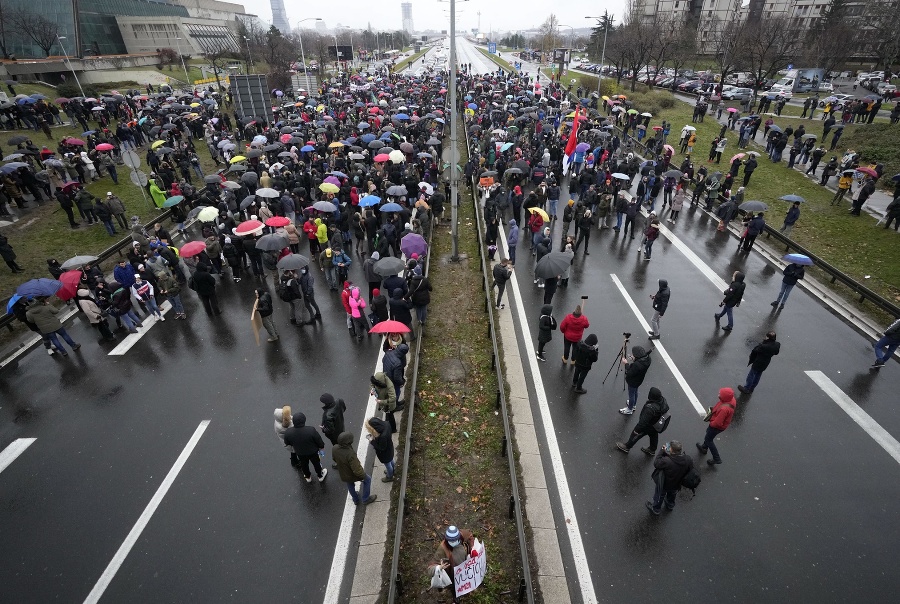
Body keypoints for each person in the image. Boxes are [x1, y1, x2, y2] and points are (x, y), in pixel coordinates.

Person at [616, 386, 669, 454]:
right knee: (653, 435)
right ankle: (652, 450)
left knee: (636, 435)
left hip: (648, 424)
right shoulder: (663, 401)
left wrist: (637, 429)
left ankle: (627, 446)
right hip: (656, 424)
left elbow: (643, 422)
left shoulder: (650, 408)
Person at [646, 440, 694, 515]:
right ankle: (670, 505)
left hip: (665, 484)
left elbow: (656, 463)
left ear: (671, 450)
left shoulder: (667, 461)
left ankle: (656, 509)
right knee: (673, 494)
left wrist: (662, 450)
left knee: (660, 495)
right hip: (677, 483)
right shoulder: (688, 459)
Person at [282, 412, 328, 483]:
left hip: (300, 452)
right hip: (313, 452)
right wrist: (321, 447)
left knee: (304, 465)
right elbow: (319, 440)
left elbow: (287, 443)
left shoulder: (289, 432)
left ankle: (308, 476)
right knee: (316, 464)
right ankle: (320, 475)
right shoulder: (311, 430)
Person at [333, 431, 377, 505]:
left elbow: (334, 459)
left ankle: (355, 499)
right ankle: (365, 499)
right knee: (368, 480)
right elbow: (356, 469)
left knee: (350, 485)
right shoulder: (350, 454)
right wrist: (363, 476)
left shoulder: (335, 448)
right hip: (352, 473)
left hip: (343, 473)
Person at [696, 388, 736, 466]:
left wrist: (711, 423)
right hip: (721, 426)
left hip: (716, 427)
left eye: (720, 394)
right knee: (708, 436)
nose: (718, 395)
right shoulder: (731, 400)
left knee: (709, 439)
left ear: (724, 397)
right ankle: (704, 447)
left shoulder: (724, 409)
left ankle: (716, 458)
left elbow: (717, 423)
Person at [620, 344, 652, 414]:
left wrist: (626, 363)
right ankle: (634, 404)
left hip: (633, 381)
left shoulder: (637, 365)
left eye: (633, 355)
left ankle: (630, 409)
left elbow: (629, 372)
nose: (632, 355)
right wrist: (634, 359)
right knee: (635, 392)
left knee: (631, 394)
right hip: (639, 380)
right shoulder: (647, 359)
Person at [320, 393, 347, 467]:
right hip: (341, 427)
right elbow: (344, 409)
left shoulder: (327, 415)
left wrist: (323, 429)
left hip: (334, 436)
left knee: (337, 448)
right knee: (343, 444)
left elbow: (330, 430)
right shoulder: (339, 401)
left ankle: (340, 463)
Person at [365, 416, 396, 482]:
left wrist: (372, 441)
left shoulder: (382, 437)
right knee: (391, 460)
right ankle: (393, 470)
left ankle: (389, 476)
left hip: (384, 454)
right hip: (390, 447)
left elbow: (381, 448)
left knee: (388, 465)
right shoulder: (386, 424)